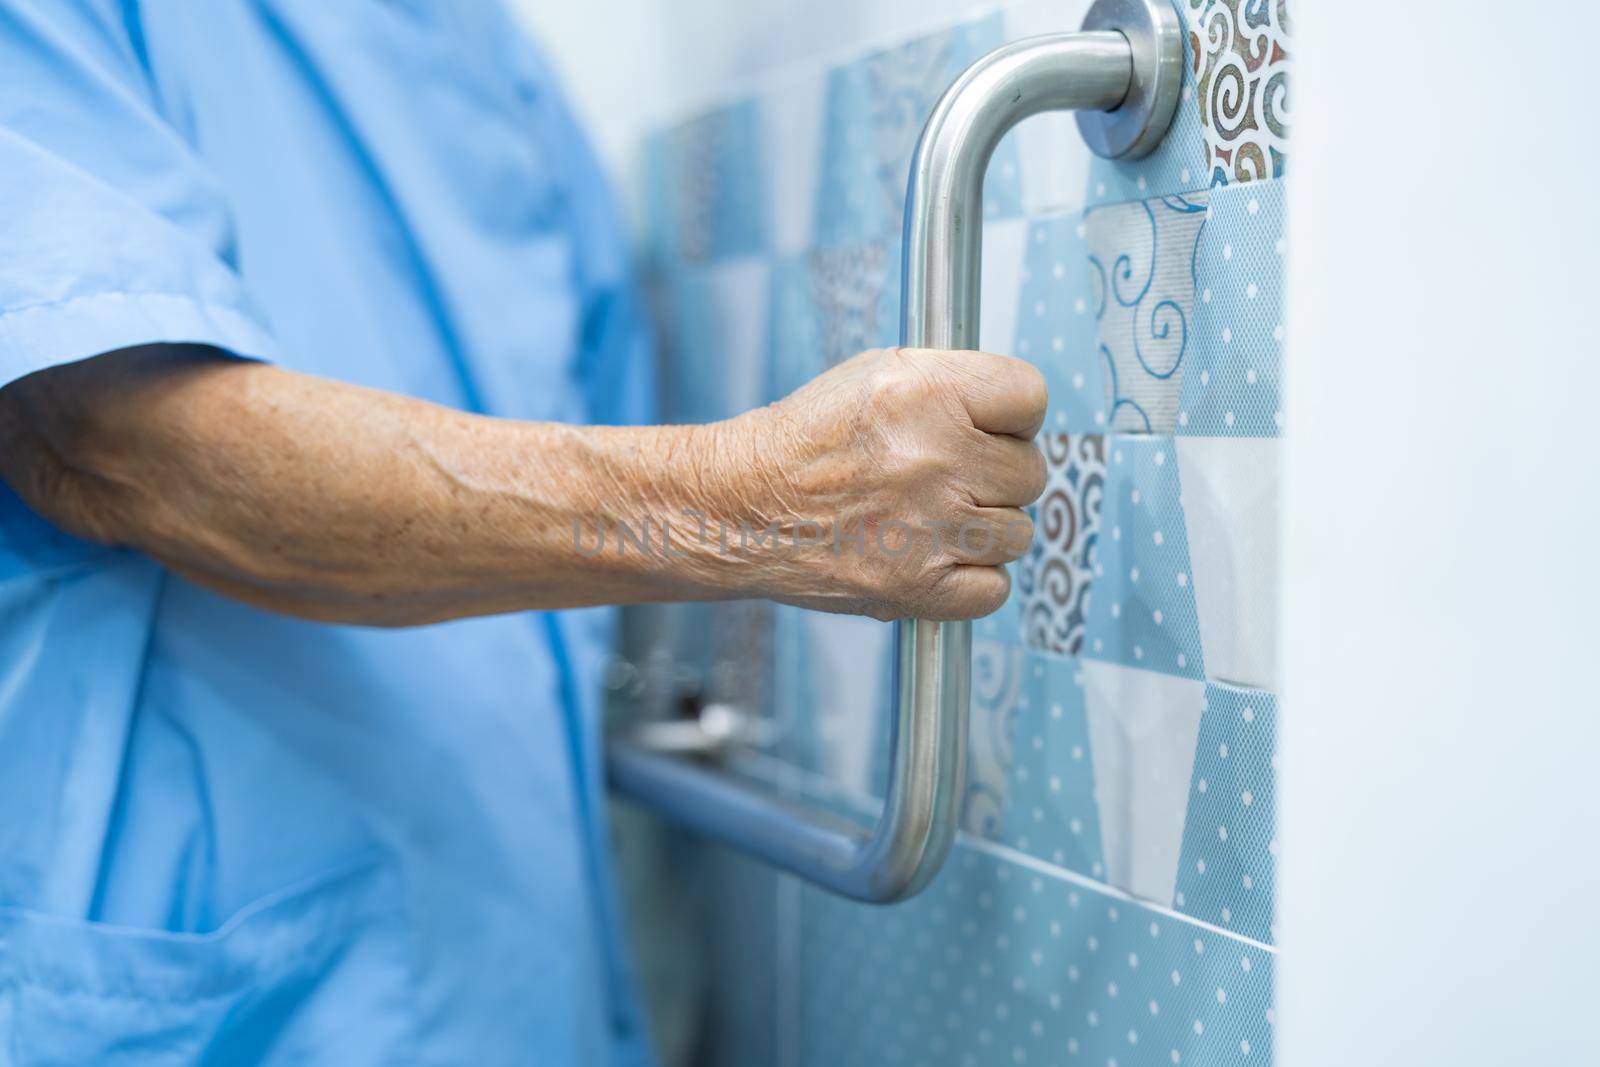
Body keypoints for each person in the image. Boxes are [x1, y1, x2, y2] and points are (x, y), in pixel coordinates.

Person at [0, 2, 1046, 1063]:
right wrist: (753, 503)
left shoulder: (479, 58)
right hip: (225, 1005)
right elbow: (113, 443)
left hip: (523, 983)